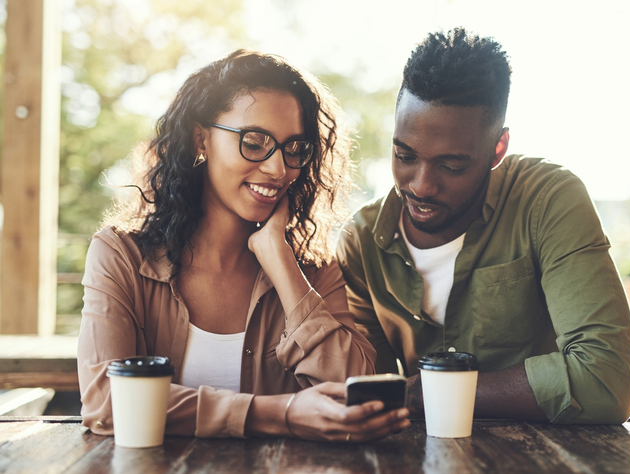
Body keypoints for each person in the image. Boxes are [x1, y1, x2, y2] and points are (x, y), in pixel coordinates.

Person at [77, 50, 410, 441]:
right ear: (201, 137)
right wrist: (281, 413)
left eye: (295, 149)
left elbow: (359, 396)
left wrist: (281, 263)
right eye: (254, 142)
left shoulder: (313, 271)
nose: (278, 169)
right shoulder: (120, 256)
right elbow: (107, 403)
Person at [337, 28, 630, 424]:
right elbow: (371, 396)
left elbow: (606, 381)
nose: (421, 185)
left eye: (452, 165)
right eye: (405, 155)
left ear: (498, 148)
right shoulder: (363, 242)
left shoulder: (547, 200)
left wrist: (433, 392)